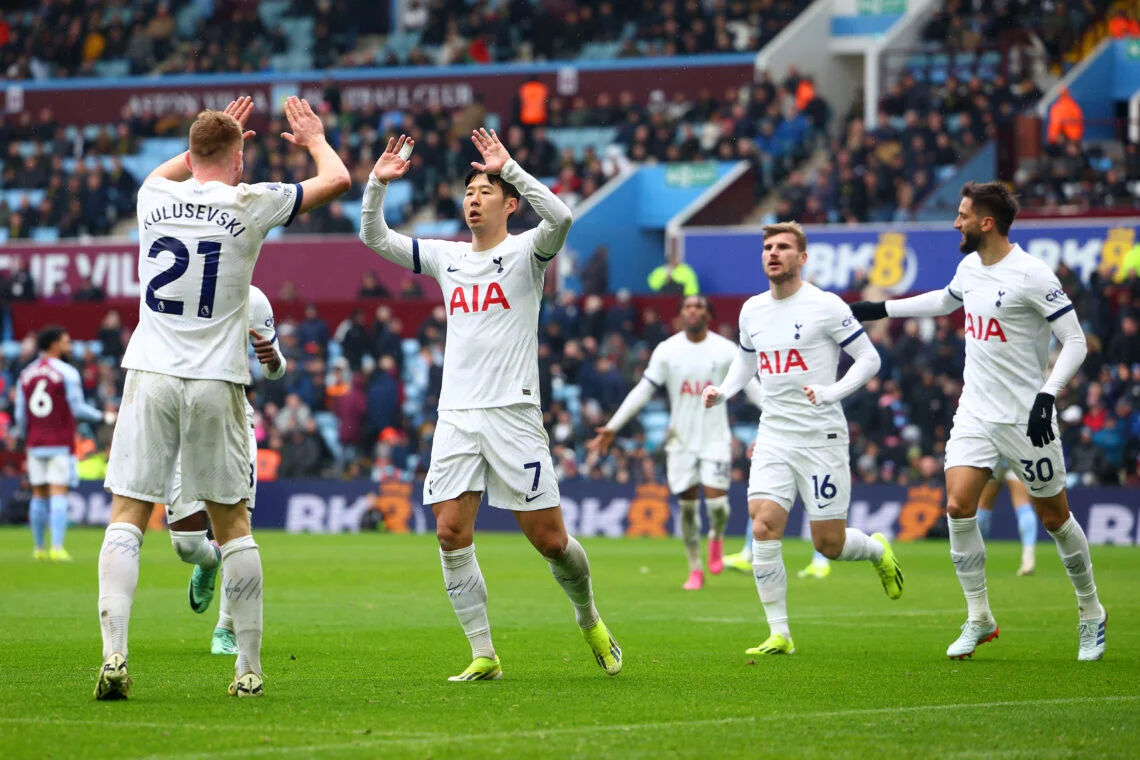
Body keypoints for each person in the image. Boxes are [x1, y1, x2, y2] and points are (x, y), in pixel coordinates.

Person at [96, 96, 350, 700]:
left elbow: (174, 166)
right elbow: (337, 179)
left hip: (150, 371)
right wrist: (312, 137)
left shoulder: (152, 198)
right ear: (239, 158)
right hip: (216, 379)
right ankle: (248, 670)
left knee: (128, 518)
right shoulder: (252, 200)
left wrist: (208, 138)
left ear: (189, 153)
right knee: (234, 527)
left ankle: (114, 657)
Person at [360, 129, 621, 681]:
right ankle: (484, 653)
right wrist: (376, 185)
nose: (473, 198)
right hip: (457, 415)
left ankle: (589, 616)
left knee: (550, 541)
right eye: (470, 190)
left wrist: (513, 167)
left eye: (486, 190)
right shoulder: (446, 258)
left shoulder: (527, 252)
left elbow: (563, 218)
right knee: (451, 532)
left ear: (509, 204)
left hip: (513, 414)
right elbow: (375, 237)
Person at [850, 181, 1105, 661]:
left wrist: (1050, 393)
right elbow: (945, 301)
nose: (956, 222)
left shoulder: (1032, 274)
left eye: (963, 215)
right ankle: (979, 616)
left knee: (1055, 518)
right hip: (975, 412)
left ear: (986, 222)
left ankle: (1091, 612)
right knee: (957, 506)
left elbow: (1074, 341)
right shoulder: (970, 267)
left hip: (1028, 417)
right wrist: (878, 309)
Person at [702, 221, 902, 657]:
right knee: (763, 522)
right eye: (768, 247)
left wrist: (832, 392)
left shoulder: (826, 306)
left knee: (827, 544)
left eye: (784, 247)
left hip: (821, 436)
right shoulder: (751, 310)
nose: (773, 253)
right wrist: (724, 391)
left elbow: (870, 359)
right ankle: (780, 633)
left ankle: (875, 550)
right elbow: (745, 364)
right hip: (774, 433)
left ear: (802, 258)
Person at [587, 294, 762, 590]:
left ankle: (716, 538)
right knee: (690, 510)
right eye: (688, 307)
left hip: (716, 439)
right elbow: (643, 390)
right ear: (680, 315)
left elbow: (753, 388)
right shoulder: (667, 351)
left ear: (709, 315)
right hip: (680, 441)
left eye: (699, 307)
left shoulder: (725, 349)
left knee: (718, 507)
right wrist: (614, 426)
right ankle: (695, 569)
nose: (693, 311)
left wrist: (777, 422)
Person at [166, 286, 286, 656]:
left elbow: (276, 369)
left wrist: (273, 360)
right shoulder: (176, 289)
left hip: (233, 421)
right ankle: (208, 560)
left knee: (238, 531)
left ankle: (226, 631)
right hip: (181, 421)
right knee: (186, 544)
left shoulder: (254, 298)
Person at [15, 326, 116, 561]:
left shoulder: (26, 373)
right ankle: (57, 548)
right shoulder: (66, 372)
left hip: (35, 441)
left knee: (39, 494)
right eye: (66, 341)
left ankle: (39, 549)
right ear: (54, 345)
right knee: (58, 492)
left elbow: (20, 414)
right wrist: (104, 416)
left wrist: (25, 437)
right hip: (59, 440)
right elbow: (77, 407)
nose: (69, 346)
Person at [976, 460, 1038, 576]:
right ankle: (1028, 557)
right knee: (1023, 502)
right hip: (1016, 452)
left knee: (984, 504)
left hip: (994, 455)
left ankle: (976, 558)